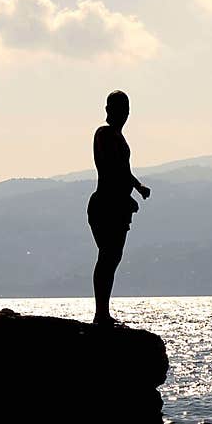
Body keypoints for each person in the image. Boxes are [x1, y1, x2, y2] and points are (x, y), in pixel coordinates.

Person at [87, 90, 150, 326]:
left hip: (118, 205)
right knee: (107, 256)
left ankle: (103, 312)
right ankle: (100, 313)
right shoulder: (104, 134)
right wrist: (126, 195)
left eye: (124, 109)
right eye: (115, 109)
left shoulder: (117, 137)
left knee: (112, 257)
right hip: (105, 204)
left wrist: (137, 186)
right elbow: (112, 168)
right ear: (108, 111)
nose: (121, 114)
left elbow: (123, 169)